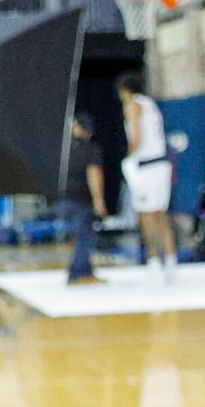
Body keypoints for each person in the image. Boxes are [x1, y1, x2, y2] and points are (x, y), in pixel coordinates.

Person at [115, 73, 176, 276]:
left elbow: (137, 138)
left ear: (124, 91)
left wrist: (127, 158)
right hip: (162, 164)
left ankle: (153, 261)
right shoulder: (151, 104)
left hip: (147, 166)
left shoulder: (132, 105)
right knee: (161, 215)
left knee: (146, 216)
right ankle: (170, 259)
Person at [60, 110, 106, 285]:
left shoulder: (63, 149)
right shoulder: (90, 149)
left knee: (83, 234)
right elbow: (94, 174)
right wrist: (99, 201)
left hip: (62, 199)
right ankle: (77, 273)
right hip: (80, 200)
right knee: (85, 236)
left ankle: (86, 271)